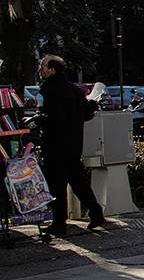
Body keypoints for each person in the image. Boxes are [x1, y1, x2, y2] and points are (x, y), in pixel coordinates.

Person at [35, 54, 105, 236]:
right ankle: (96, 212)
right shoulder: (74, 90)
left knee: (56, 183)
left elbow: (50, 117)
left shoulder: (48, 89)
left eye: (43, 67)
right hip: (74, 143)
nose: (40, 70)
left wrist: (38, 121)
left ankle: (59, 223)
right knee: (77, 180)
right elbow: (87, 114)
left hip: (55, 144)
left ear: (52, 69)